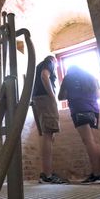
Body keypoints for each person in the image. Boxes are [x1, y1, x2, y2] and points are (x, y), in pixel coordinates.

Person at [58, 65, 100, 184]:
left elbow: (61, 97)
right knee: (96, 142)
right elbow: (98, 96)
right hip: (94, 110)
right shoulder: (91, 77)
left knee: (88, 141)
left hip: (79, 109)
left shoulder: (68, 78)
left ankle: (96, 174)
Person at [32, 55, 69, 184]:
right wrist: (52, 97)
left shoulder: (37, 66)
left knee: (47, 134)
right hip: (45, 99)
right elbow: (44, 76)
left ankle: (47, 173)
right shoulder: (49, 61)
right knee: (48, 134)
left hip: (38, 99)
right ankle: (47, 175)